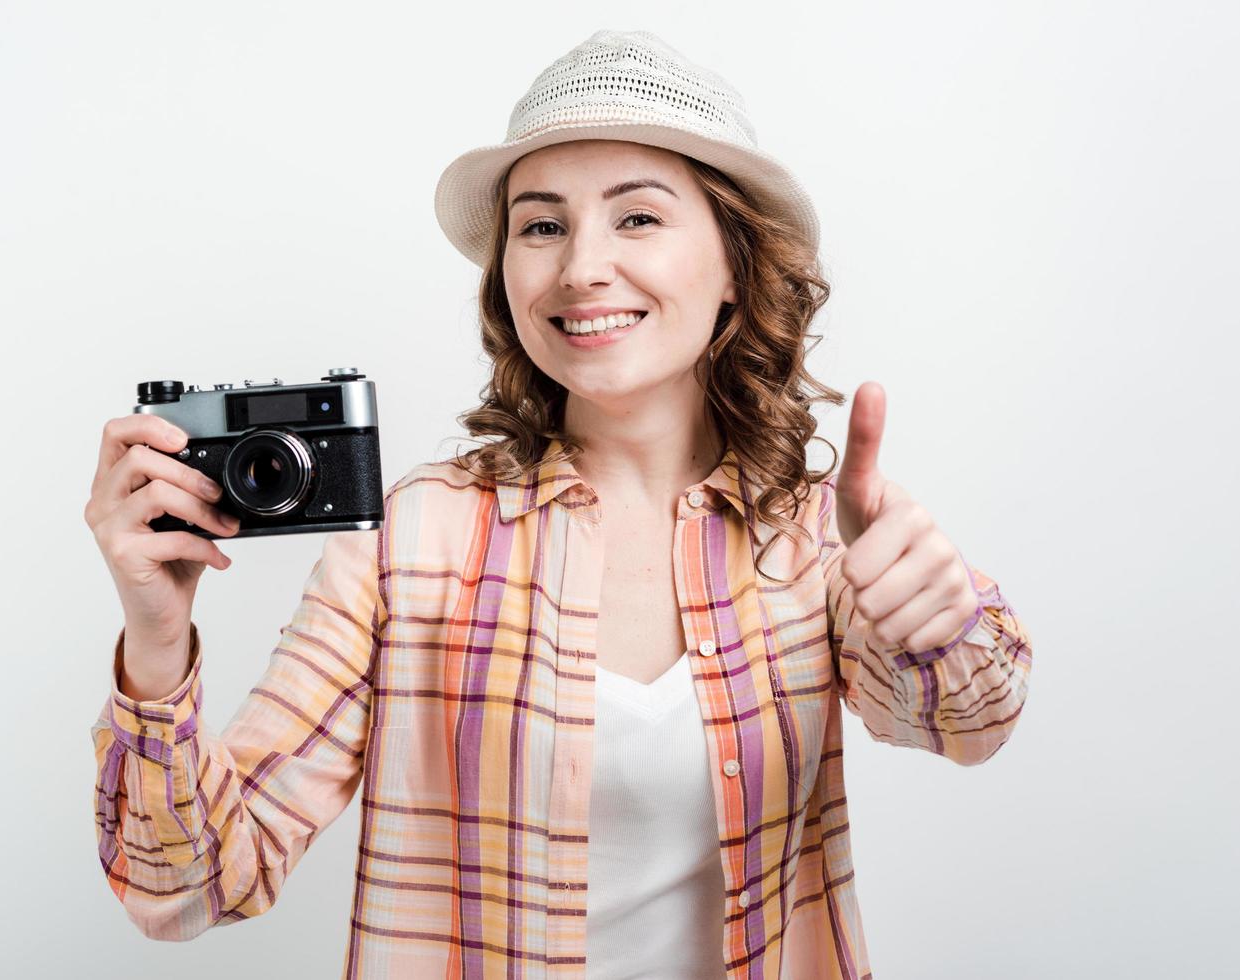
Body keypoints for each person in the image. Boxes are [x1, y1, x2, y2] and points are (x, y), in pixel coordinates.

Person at [85, 29, 1033, 977]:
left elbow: (967, 725)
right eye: (541, 226)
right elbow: (190, 889)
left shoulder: (822, 537)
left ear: (737, 265)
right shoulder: (409, 543)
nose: (581, 266)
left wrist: (939, 624)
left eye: (637, 219)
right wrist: (156, 643)